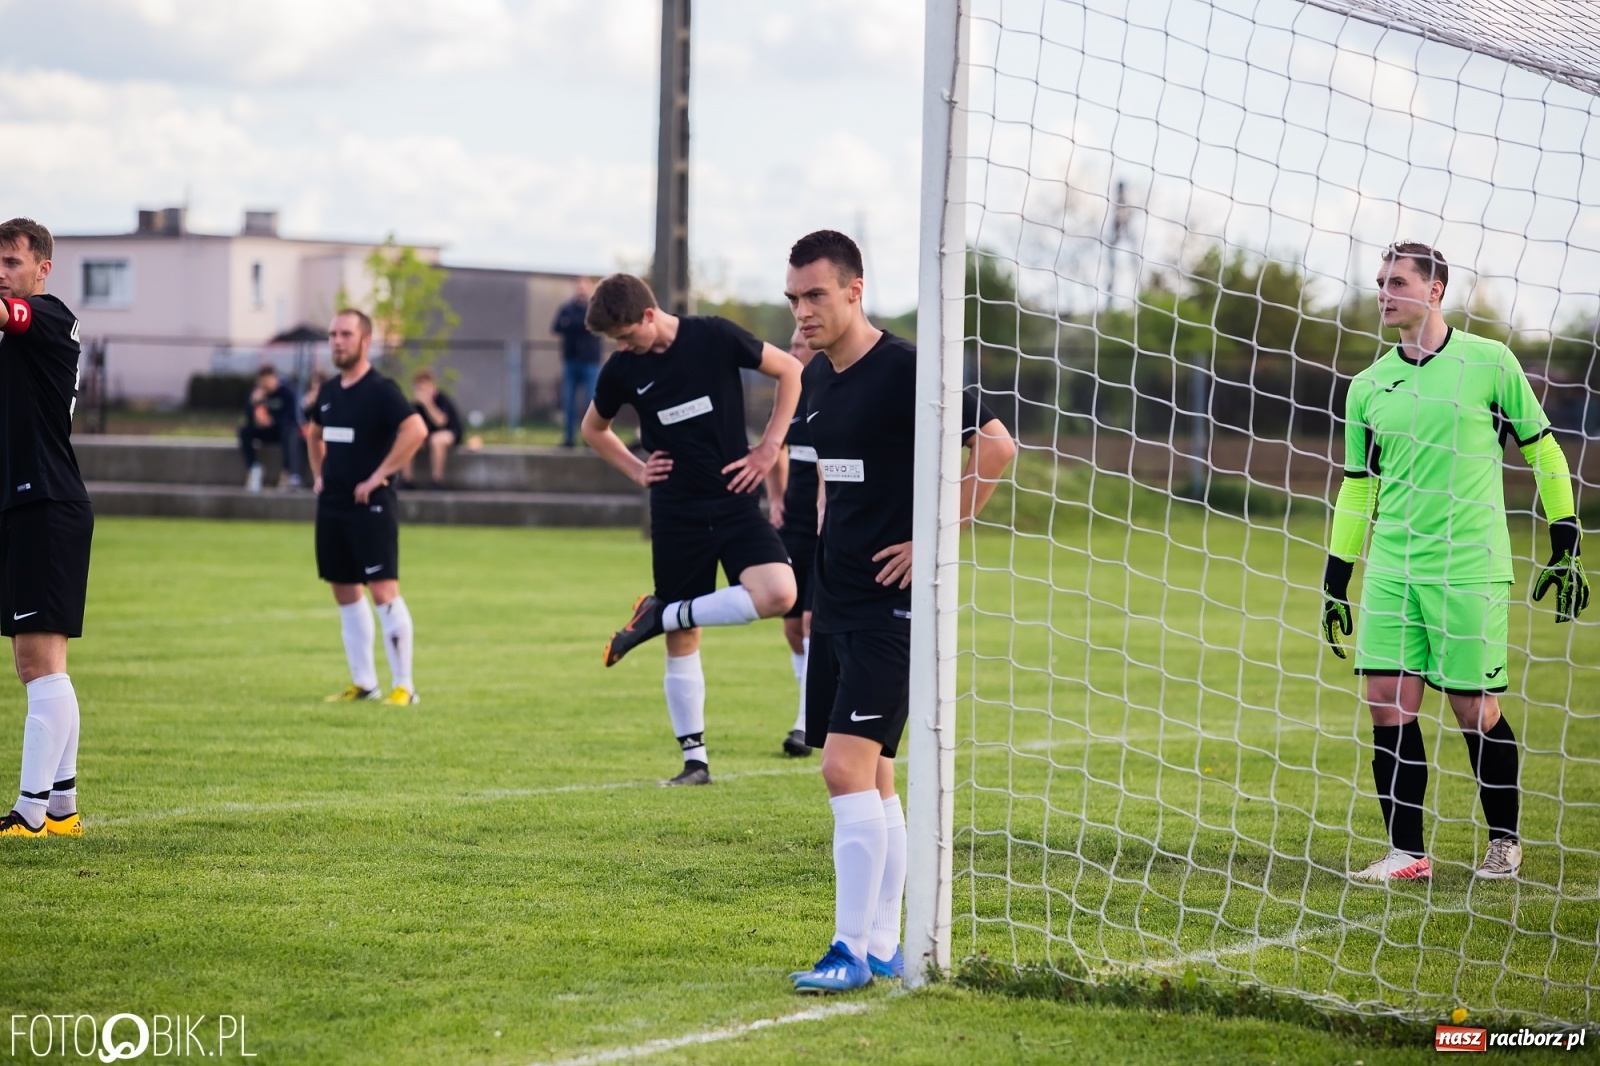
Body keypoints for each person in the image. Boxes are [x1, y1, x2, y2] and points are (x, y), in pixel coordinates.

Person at [782, 231, 1014, 992]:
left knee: (842, 769)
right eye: (793, 298)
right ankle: (883, 942)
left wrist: (935, 536)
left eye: (815, 294)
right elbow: (825, 489)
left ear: (855, 290)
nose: (803, 310)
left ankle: (848, 948)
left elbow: (998, 448)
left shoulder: (914, 368)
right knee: (875, 773)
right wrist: (813, 589)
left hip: (896, 607)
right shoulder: (816, 381)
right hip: (838, 598)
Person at [1323, 242, 1588, 883]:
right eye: (1379, 283)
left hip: (1469, 564)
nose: (1384, 293)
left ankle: (1504, 841)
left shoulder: (1490, 363)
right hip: (1392, 567)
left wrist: (1566, 533)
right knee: (1386, 702)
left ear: (1435, 289)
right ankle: (1407, 854)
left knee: (1473, 708)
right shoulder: (1366, 388)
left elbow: (1544, 450)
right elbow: (1360, 486)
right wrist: (1338, 573)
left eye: (1397, 282)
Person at [582, 273, 802, 786]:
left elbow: (791, 370)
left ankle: (663, 612)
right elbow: (594, 428)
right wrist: (636, 470)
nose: (621, 346)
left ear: (649, 315)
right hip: (677, 511)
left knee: (779, 593)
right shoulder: (622, 370)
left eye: (625, 334)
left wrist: (769, 447)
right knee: (683, 637)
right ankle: (695, 763)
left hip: (735, 502)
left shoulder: (714, 336)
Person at [0, 218, 95, 839]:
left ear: (42, 267)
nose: (3, 273)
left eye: (10, 261)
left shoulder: (50, 316)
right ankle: (60, 807)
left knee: (38, 664)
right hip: (29, 503)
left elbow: (12, 315)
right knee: (42, 663)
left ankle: (31, 813)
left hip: (47, 503)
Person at [306, 309, 429, 706]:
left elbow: (416, 430)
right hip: (333, 506)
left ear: (365, 341)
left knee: (383, 591)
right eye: (332, 334)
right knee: (343, 590)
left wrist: (379, 476)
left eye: (345, 334)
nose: (337, 341)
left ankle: (404, 687)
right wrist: (319, 473)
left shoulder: (382, 390)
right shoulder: (327, 392)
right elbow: (314, 433)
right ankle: (364, 683)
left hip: (371, 508)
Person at [763, 326, 821, 758]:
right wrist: (777, 498)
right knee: (791, 628)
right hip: (793, 529)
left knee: (810, 624)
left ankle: (806, 723)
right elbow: (772, 448)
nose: (791, 351)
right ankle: (810, 710)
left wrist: (828, 509)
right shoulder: (791, 400)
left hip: (825, 532)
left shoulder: (833, 395)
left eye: (798, 345)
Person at [552, 276, 603, 447]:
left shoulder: (595, 308)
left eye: (584, 286)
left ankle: (590, 439)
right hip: (571, 360)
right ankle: (569, 438)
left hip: (590, 361)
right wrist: (579, 324)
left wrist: (572, 324)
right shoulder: (566, 308)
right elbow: (557, 326)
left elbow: (594, 326)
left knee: (591, 402)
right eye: (578, 286)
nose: (581, 289)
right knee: (568, 401)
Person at [240, 363, 301, 492]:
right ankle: (254, 468)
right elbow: (248, 417)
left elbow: (291, 418)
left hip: (279, 431)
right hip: (263, 430)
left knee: (289, 432)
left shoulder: (286, 393)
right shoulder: (257, 394)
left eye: (268, 380)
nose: (265, 385)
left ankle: (286, 472)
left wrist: (272, 421)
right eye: (262, 381)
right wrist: (253, 403)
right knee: (244, 431)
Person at [402, 368, 464, 489]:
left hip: (449, 433)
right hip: (428, 435)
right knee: (407, 439)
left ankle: (437, 480)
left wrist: (428, 404)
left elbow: (441, 421)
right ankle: (407, 480)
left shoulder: (441, 399)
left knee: (437, 440)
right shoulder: (416, 405)